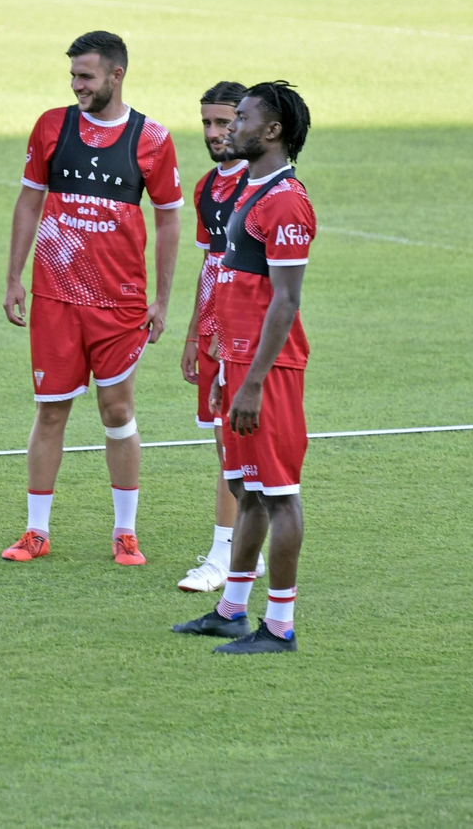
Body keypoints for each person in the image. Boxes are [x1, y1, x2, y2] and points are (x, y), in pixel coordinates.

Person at [2, 31, 182, 566]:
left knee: (117, 409)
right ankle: (36, 531)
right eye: (73, 76)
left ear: (116, 75)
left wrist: (162, 299)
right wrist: (13, 277)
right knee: (50, 410)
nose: (77, 85)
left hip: (119, 303)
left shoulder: (152, 137)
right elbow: (29, 201)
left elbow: (168, 220)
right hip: (55, 296)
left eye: (86, 76)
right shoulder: (51, 127)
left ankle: (125, 532)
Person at [173, 80, 315, 653]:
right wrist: (228, 372)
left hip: (270, 371)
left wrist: (252, 381)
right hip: (239, 365)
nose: (230, 128)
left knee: (278, 494)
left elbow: (286, 299)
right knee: (246, 489)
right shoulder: (250, 190)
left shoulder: (286, 201)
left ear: (273, 130)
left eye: (242, 119)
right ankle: (232, 609)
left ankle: (279, 626)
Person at [176, 81, 253, 594]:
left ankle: (225, 556)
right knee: (224, 445)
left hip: (240, 335)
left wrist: (230, 335)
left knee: (233, 445)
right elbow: (209, 266)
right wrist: (193, 334)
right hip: (211, 333)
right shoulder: (206, 187)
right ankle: (247, 549)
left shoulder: (258, 185)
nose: (213, 132)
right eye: (207, 122)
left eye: (224, 122)